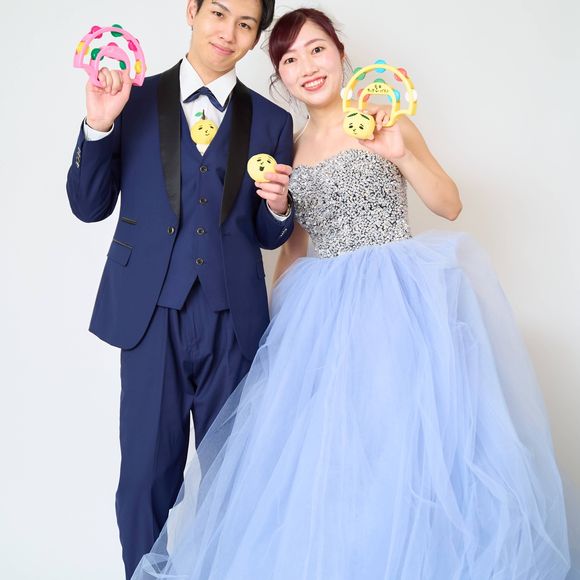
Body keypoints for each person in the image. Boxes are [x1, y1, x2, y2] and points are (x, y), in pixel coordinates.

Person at [128, 8, 572, 579]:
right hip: (324, 311)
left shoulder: (387, 121)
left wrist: (399, 151)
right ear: (281, 76)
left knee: (404, 445)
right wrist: (277, 335)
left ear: (339, 52)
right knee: (333, 460)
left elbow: (450, 204)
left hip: (398, 301)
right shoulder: (288, 146)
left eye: (317, 50)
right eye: (290, 59)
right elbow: (293, 246)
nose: (307, 67)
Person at [66, 0, 296, 577]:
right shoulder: (133, 97)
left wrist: (279, 208)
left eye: (245, 24)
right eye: (218, 13)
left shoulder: (272, 121)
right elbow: (88, 206)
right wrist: (99, 125)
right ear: (191, 12)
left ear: (255, 37)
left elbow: (267, 233)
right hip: (150, 315)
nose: (229, 32)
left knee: (233, 476)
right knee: (145, 477)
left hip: (233, 318)